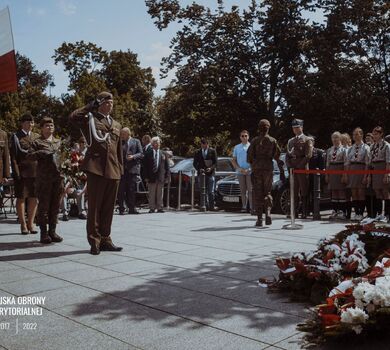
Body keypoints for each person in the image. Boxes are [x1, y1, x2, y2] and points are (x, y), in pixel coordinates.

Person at [69, 91, 123, 255]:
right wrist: (90, 106)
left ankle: (106, 239)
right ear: (99, 104)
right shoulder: (90, 119)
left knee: (108, 207)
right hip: (96, 168)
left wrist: (120, 168)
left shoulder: (117, 124)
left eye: (112, 102)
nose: (110, 104)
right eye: (106, 102)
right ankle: (95, 241)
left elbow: (119, 150)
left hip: (113, 170)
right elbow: (72, 117)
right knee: (94, 207)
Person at [29, 117, 63, 244]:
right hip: (44, 179)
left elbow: (63, 158)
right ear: (42, 128)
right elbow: (29, 156)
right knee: (44, 207)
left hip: (57, 179)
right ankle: (43, 233)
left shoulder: (58, 142)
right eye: (47, 126)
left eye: (51, 125)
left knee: (55, 206)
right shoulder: (37, 142)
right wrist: (41, 153)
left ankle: (52, 231)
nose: (50, 128)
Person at [247, 120, 283, 227]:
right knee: (267, 192)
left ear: (259, 128)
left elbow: (249, 157)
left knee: (258, 193)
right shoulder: (273, 141)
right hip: (268, 168)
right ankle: (267, 214)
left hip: (257, 169)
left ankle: (259, 219)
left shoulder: (254, 141)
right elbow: (277, 156)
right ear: (268, 128)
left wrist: (255, 163)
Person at [9, 113, 39, 235]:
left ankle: (30, 223)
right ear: (22, 123)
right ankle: (23, 224)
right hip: (22, 172)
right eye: (27, 122)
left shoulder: (37, 136)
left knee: (34, 198)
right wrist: (16, 172)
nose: (30, 124)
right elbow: (14, 156)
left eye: (32, 122)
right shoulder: (16, 136)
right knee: (21, 198)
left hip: (35, 172)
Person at [286, 119, 313, 219]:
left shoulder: (307, 139)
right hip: (293, 168)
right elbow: (287, 155)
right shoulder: (291, 141)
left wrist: (299, 166)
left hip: (302, 167)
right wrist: (289, 165)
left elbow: (308, 155)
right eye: (294, 128)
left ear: (302, 127)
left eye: (297, 127)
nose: (295, 129)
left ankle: (305, 211)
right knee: (294, 190)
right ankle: (294, 211)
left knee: (304, 190)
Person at [345, 128, 370, 221]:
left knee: (361, 192)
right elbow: (347, 162)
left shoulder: (366, 147)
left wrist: (365, 176)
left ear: (361, 135)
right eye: (353, 134)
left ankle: (361, 213)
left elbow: (367, 163)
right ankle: (356, 213)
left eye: (356, 134)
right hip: (352, 170)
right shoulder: (351, 148)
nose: (354, 136)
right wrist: (346, 174)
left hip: (361, 169)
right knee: (354, 193)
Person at [118, 127, 143, 215]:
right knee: (121, 190)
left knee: (131, 190)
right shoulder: (120, 143)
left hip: (132, 170)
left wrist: (133, 157)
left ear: (128, 134)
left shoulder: (136, 141)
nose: (121, 136)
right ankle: (121, 208)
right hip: (122, 170)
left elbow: (141, 153)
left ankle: (131, 208)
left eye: (123, 134)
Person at [143, 137, 170, 213]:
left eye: (159, 142)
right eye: (156, 142)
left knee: (160, 192)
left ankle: (160, 207)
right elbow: (145, 167)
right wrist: (146, 177)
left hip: (161, 176)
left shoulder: (163, 153)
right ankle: (152, 207)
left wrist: (167, 177)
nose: (158, 144)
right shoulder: (148, 153)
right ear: (152, 144)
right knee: (151, 193)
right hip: (151, 176)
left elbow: (167, 166)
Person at [369, 126, 390, 220]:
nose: (374, 136)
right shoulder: (372, 146)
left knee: (385, 191)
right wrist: (370, 175)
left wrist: (387, 174)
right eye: (373, 134)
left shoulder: (386, 145)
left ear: (381, 134)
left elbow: (388, 161)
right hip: (375, 168)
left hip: (383, 167)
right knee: (377, 191)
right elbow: (370, 160)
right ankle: (379, 213)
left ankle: (387, 214)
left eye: (376, 134)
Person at [325, 132, 348, 220]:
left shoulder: (344, 150)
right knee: (334, 191)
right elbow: (327, 163)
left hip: (340, 169)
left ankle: (342, 211)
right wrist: (327, 174)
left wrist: (344, 174)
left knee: (341, 191)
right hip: (332, 170)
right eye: (333, 138)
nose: (334, 140)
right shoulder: (330, 150)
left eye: (336, 137)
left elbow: (346, 163)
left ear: (340, 139)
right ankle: (335, 210)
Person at [193, 138, 218, 211]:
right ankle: (204, 206)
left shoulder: (212, 151)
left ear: (207, 144)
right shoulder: (197, 152)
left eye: (204, 144)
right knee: (203, 191)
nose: (203, 146)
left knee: (211, 191)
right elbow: (194, 163)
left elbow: (216, 163)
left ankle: (212, 206)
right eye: (202, 144)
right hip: (201, 173)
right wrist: (199, 169)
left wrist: (211, 168)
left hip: (210, 173)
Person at [232, 130, 253, 213]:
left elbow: (254, 160)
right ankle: (244, 207)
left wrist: (249, 169)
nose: (244, 137)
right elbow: (233, 160)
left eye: (245, 136)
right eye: (242, 136)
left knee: (250, 190)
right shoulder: (237, 147)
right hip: (240, 171)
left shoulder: (251, 146)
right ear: (240, 137)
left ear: (248, 137)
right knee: (243, 190)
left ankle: (251, 207)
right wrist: (239, 168)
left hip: (249, 171)